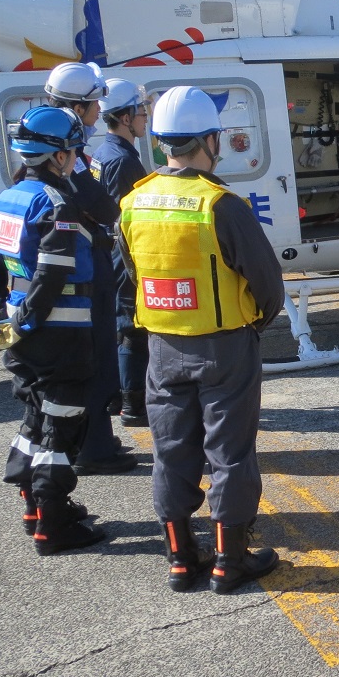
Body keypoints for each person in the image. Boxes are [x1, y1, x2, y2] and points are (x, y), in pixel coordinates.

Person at [118, 86, 285, 594]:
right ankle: (227, 563)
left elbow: (133, 274)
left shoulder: (133, 201)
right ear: (211, 140)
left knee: (171, 450)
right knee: (230, 454)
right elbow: (268, 283)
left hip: (162, 348)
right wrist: (255, 322)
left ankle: (179, 558)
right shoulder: (222, 205)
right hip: (224, 346)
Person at [0, 106, 105, 554]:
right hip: (60, 333)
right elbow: (53, 274)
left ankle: (34, 504)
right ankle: (53, 525)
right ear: (58, 157)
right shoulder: (56, 204)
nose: (76, 159)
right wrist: (32, 321)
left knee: (35, 414)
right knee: (63, 423)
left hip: (19, 329)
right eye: (73, 151)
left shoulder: (7, 198)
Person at [45, 62, 138, 475]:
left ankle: (97, 440)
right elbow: (102, 208)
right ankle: (94, 449)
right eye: (94, 104)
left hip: (77, 270)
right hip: (84, 273)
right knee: (94, 357)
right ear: (77, 107)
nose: (99, 112)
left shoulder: (58, 152)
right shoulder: (69, 159)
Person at [91, 78, 151, 428]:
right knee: (131, 326)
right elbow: (122, 218)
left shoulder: (105, 152)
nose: (145, 117)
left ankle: (118, 396)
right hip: (123, 256)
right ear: (126, 117)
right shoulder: (122, 161)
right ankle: (134, 404)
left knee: (121, 325)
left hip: (113, 253)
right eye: (141, 111)